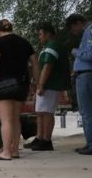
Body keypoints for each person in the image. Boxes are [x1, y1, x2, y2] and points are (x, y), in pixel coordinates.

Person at [0, 19, 39, 160]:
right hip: (22, 83)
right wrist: (35, 80)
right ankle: (15, 150)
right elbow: (34, 61)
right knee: (15, 119)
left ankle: (6, 152)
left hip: (4, 84)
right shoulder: (24, 42)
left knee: (6, 120)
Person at [66, 13, 92, 155]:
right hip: (86, 75)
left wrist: (76, 52)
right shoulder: (91, 31)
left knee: (89, 111)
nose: (74, 32)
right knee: (87, 111)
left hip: (88, 74)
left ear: (78, 23)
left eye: (73, 28)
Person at [26, 22, 70, 151]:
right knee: (40, 112)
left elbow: (47, 66)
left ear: (48, 33)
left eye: (40, 34)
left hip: (50, 85)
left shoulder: (53, 47)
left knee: (46, 112)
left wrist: (41, 84)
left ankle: (46, 140)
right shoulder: (47, 47)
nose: (39, 37)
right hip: (46, 85)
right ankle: (40, 138)